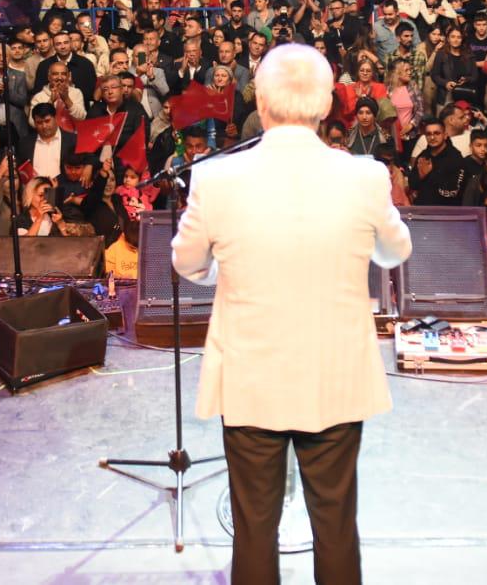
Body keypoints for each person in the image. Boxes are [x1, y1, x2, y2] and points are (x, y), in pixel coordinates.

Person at [173, 43, 411, 585]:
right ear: (328, 105)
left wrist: (225, 273)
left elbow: (188, 263)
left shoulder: (215, 178)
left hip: (251, 380)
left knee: (255, 529)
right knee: (336, 526)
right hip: (336, 379)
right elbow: (395, 253)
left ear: (260, 99)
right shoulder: (365, 176)